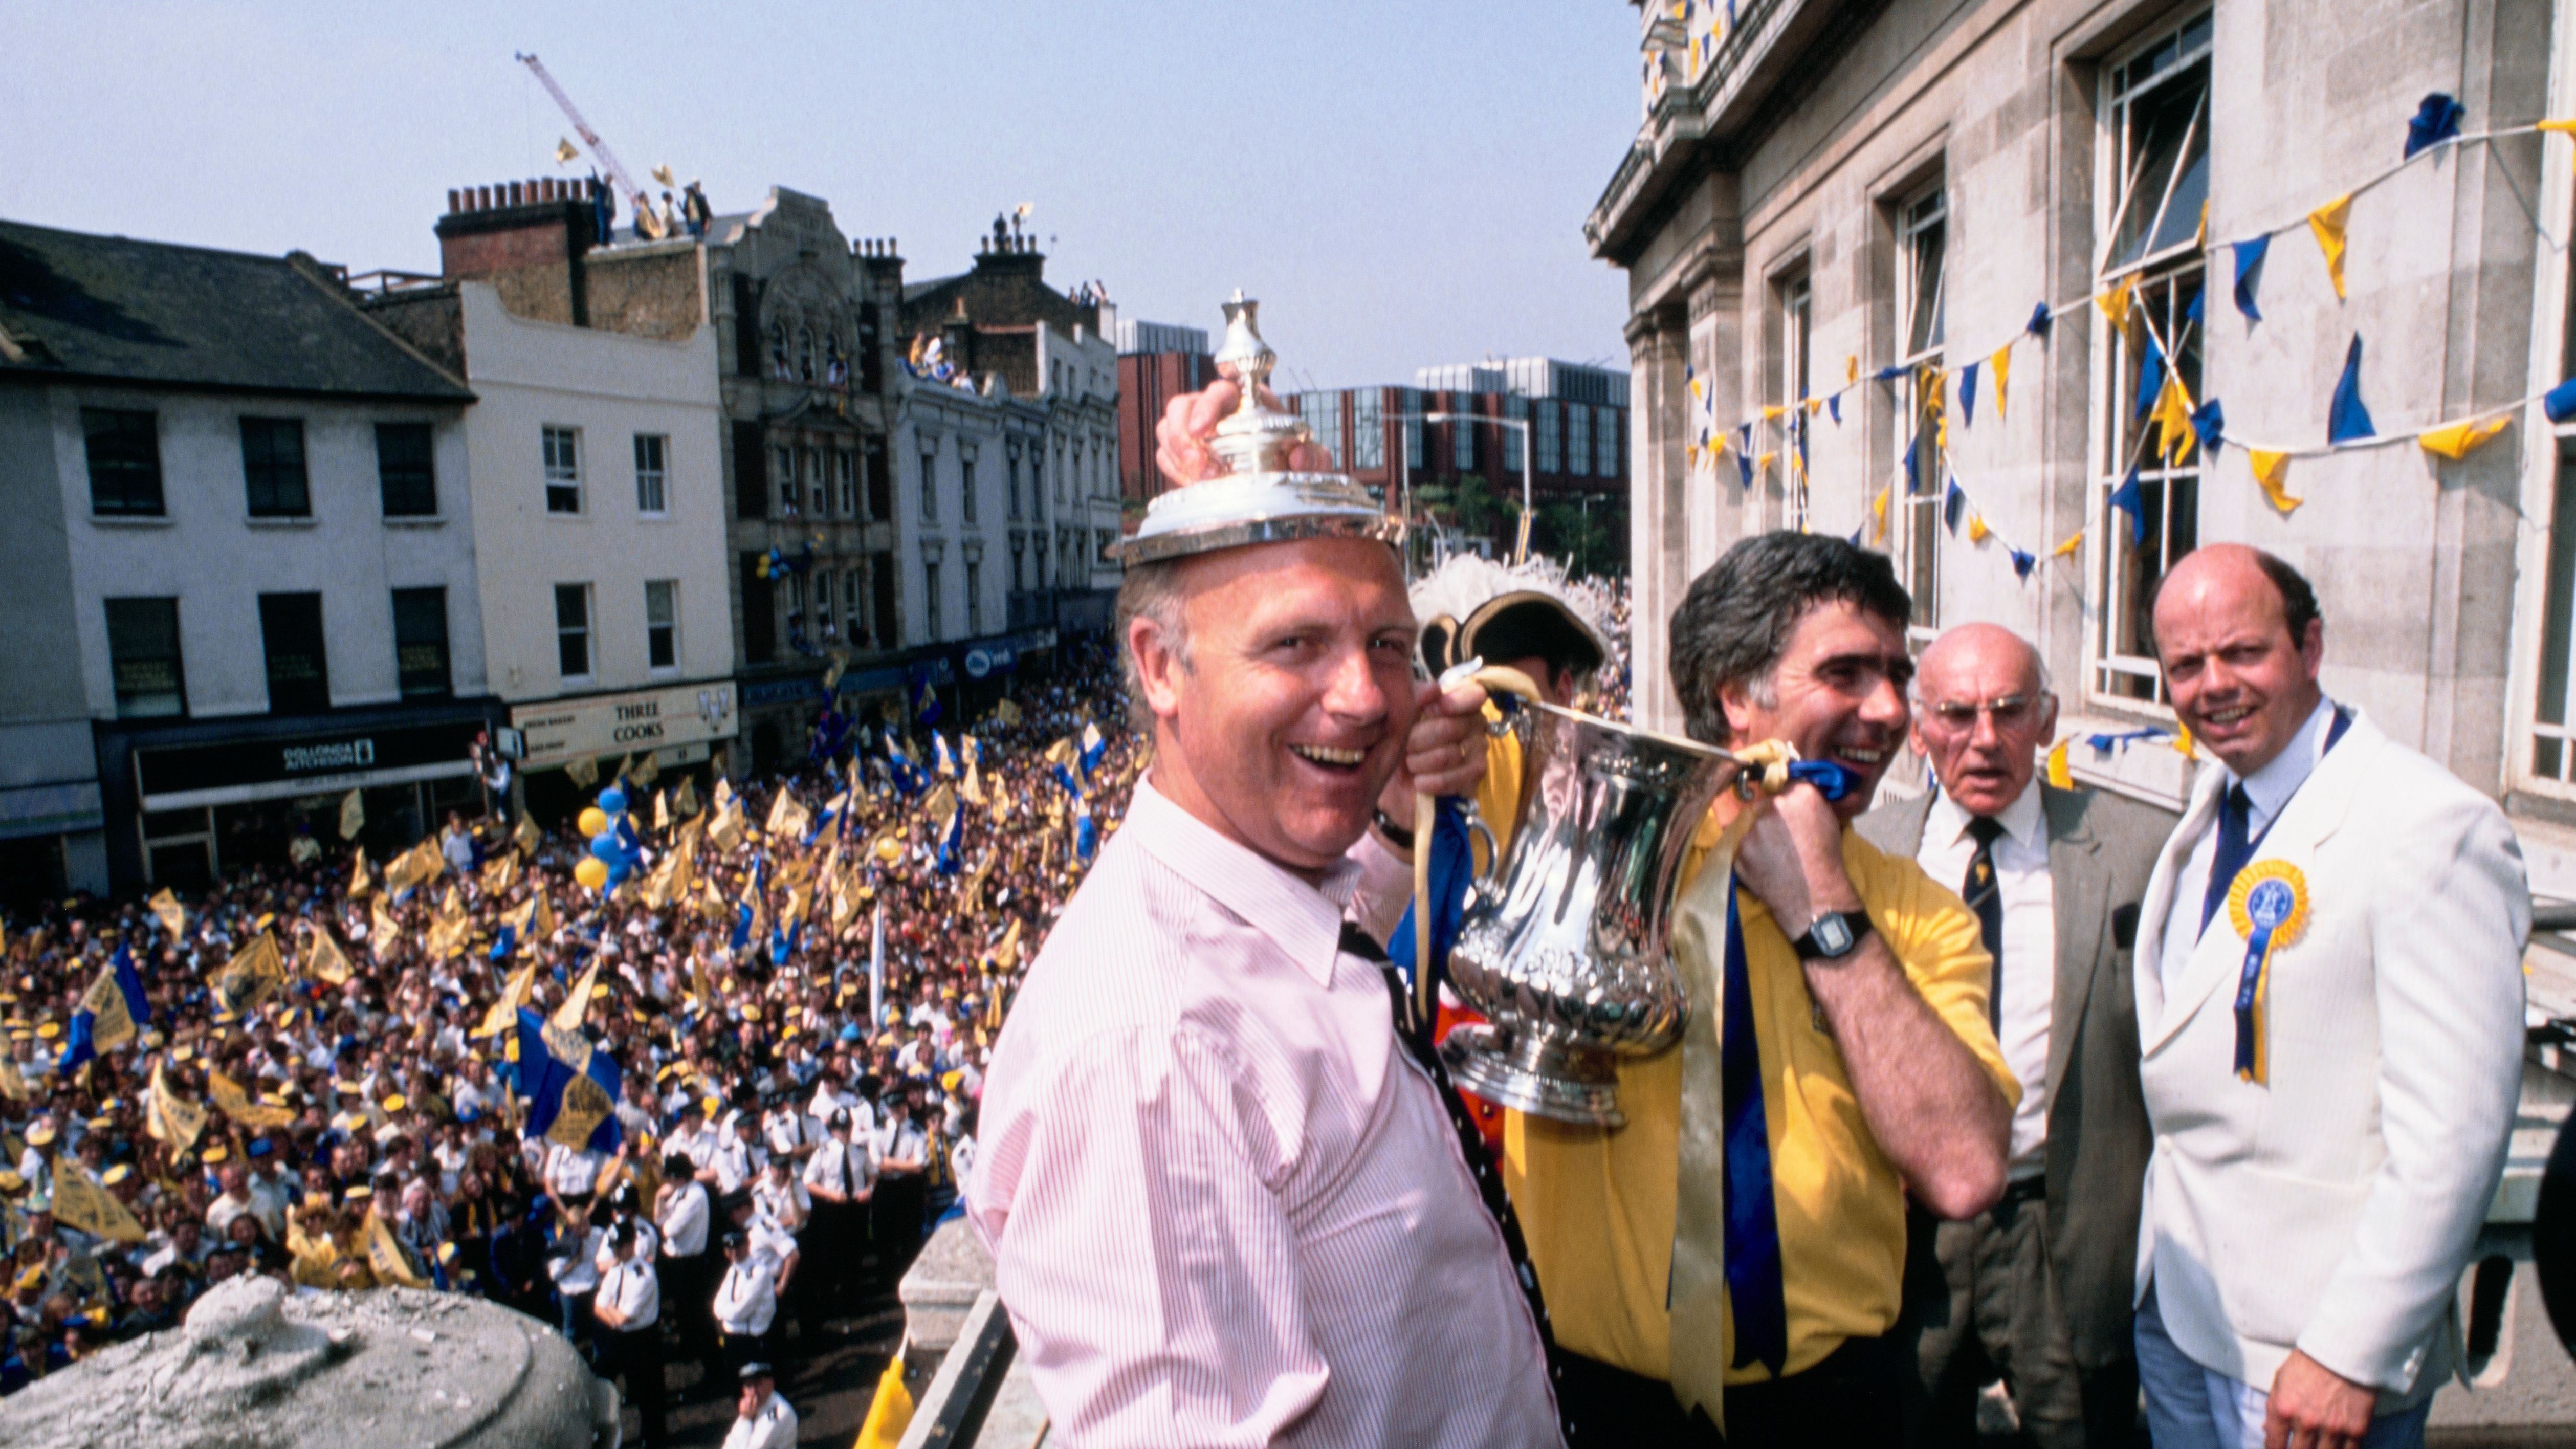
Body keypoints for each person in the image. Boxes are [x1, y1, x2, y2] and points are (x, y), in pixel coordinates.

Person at [971, 352, 1561, 1445]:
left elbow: (1318, 972)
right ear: (1158, 666)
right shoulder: (1151, 1055)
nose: (1365, 695)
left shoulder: (1256, 906)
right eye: (1294, 643)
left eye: (1388, 643)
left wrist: (1389, 819)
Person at [1510, 533, 2016, 1445]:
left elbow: (1967, 1168)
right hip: (1595, 1401)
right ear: (1737, 696)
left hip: (1833, 1405)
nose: (1891, 710)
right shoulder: (1588, 837)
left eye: (1897, 673)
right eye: (1847, 672)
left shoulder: (1919, 914)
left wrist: (1826, 909)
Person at [2131, 545, 2528, 1449]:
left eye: (2243, 652)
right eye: (2186, 665)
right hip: (2182, 1308)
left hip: (2312, 1355)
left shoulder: (2428, 825)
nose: (2213, 685)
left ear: (2311, 647)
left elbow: (2455, 1131)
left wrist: (2354, 1350)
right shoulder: (2215, 799)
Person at [1856, 624, 2171, 1448]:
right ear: (1918, 729)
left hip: (2062, 1229)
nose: (1984, 739)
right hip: (1902, 1234)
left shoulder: (2140, 850)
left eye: (2008, 710)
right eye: (1956, 715)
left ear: (2050, 718)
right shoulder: (1862, 851)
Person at [592, 1218, 666, 1449]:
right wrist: (614, 1318)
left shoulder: (644, 1275)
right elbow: (597, 1306)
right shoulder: (617, 1270)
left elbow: (626, 1317)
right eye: (614, 1247)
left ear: (631, 1244)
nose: (615, 1251)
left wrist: (611, 1313)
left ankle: (654, 1439)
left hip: (643, 1338)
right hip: (622, 1336)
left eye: (619, 1246)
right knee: (605, 1380)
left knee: (649, 1393)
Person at [719, 1361, 799, 1449]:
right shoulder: (752, 1408)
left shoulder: (779, 1412)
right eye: (749, 1385)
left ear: (771, 1383)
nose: (754, 1392)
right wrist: (744, 1419)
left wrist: (745, 1420)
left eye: (758, 1383)